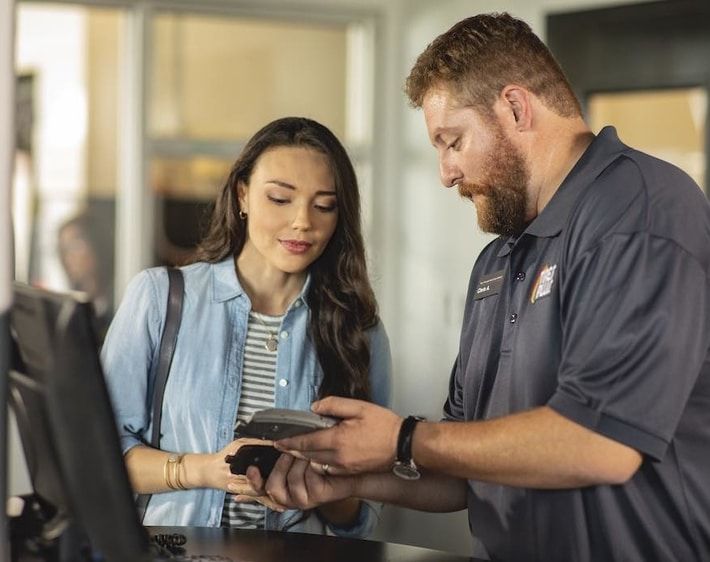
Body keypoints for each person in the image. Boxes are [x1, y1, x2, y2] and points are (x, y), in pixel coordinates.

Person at [248, 13, 710, 562]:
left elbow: (603, 444)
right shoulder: (497, 260)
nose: (446, 173)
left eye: (453, 141)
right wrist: (351, 481)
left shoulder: (640, 210)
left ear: (516, 108)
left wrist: (402, 439)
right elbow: (466, 468)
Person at [100, 117, 392, 536]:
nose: (302, 222)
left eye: (324, 205)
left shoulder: (359, 330)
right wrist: (204, 471)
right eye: (280, 199)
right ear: (242, 195)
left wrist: (328, 489)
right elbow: (101, 457)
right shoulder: (159, 298)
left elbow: (357, 513)